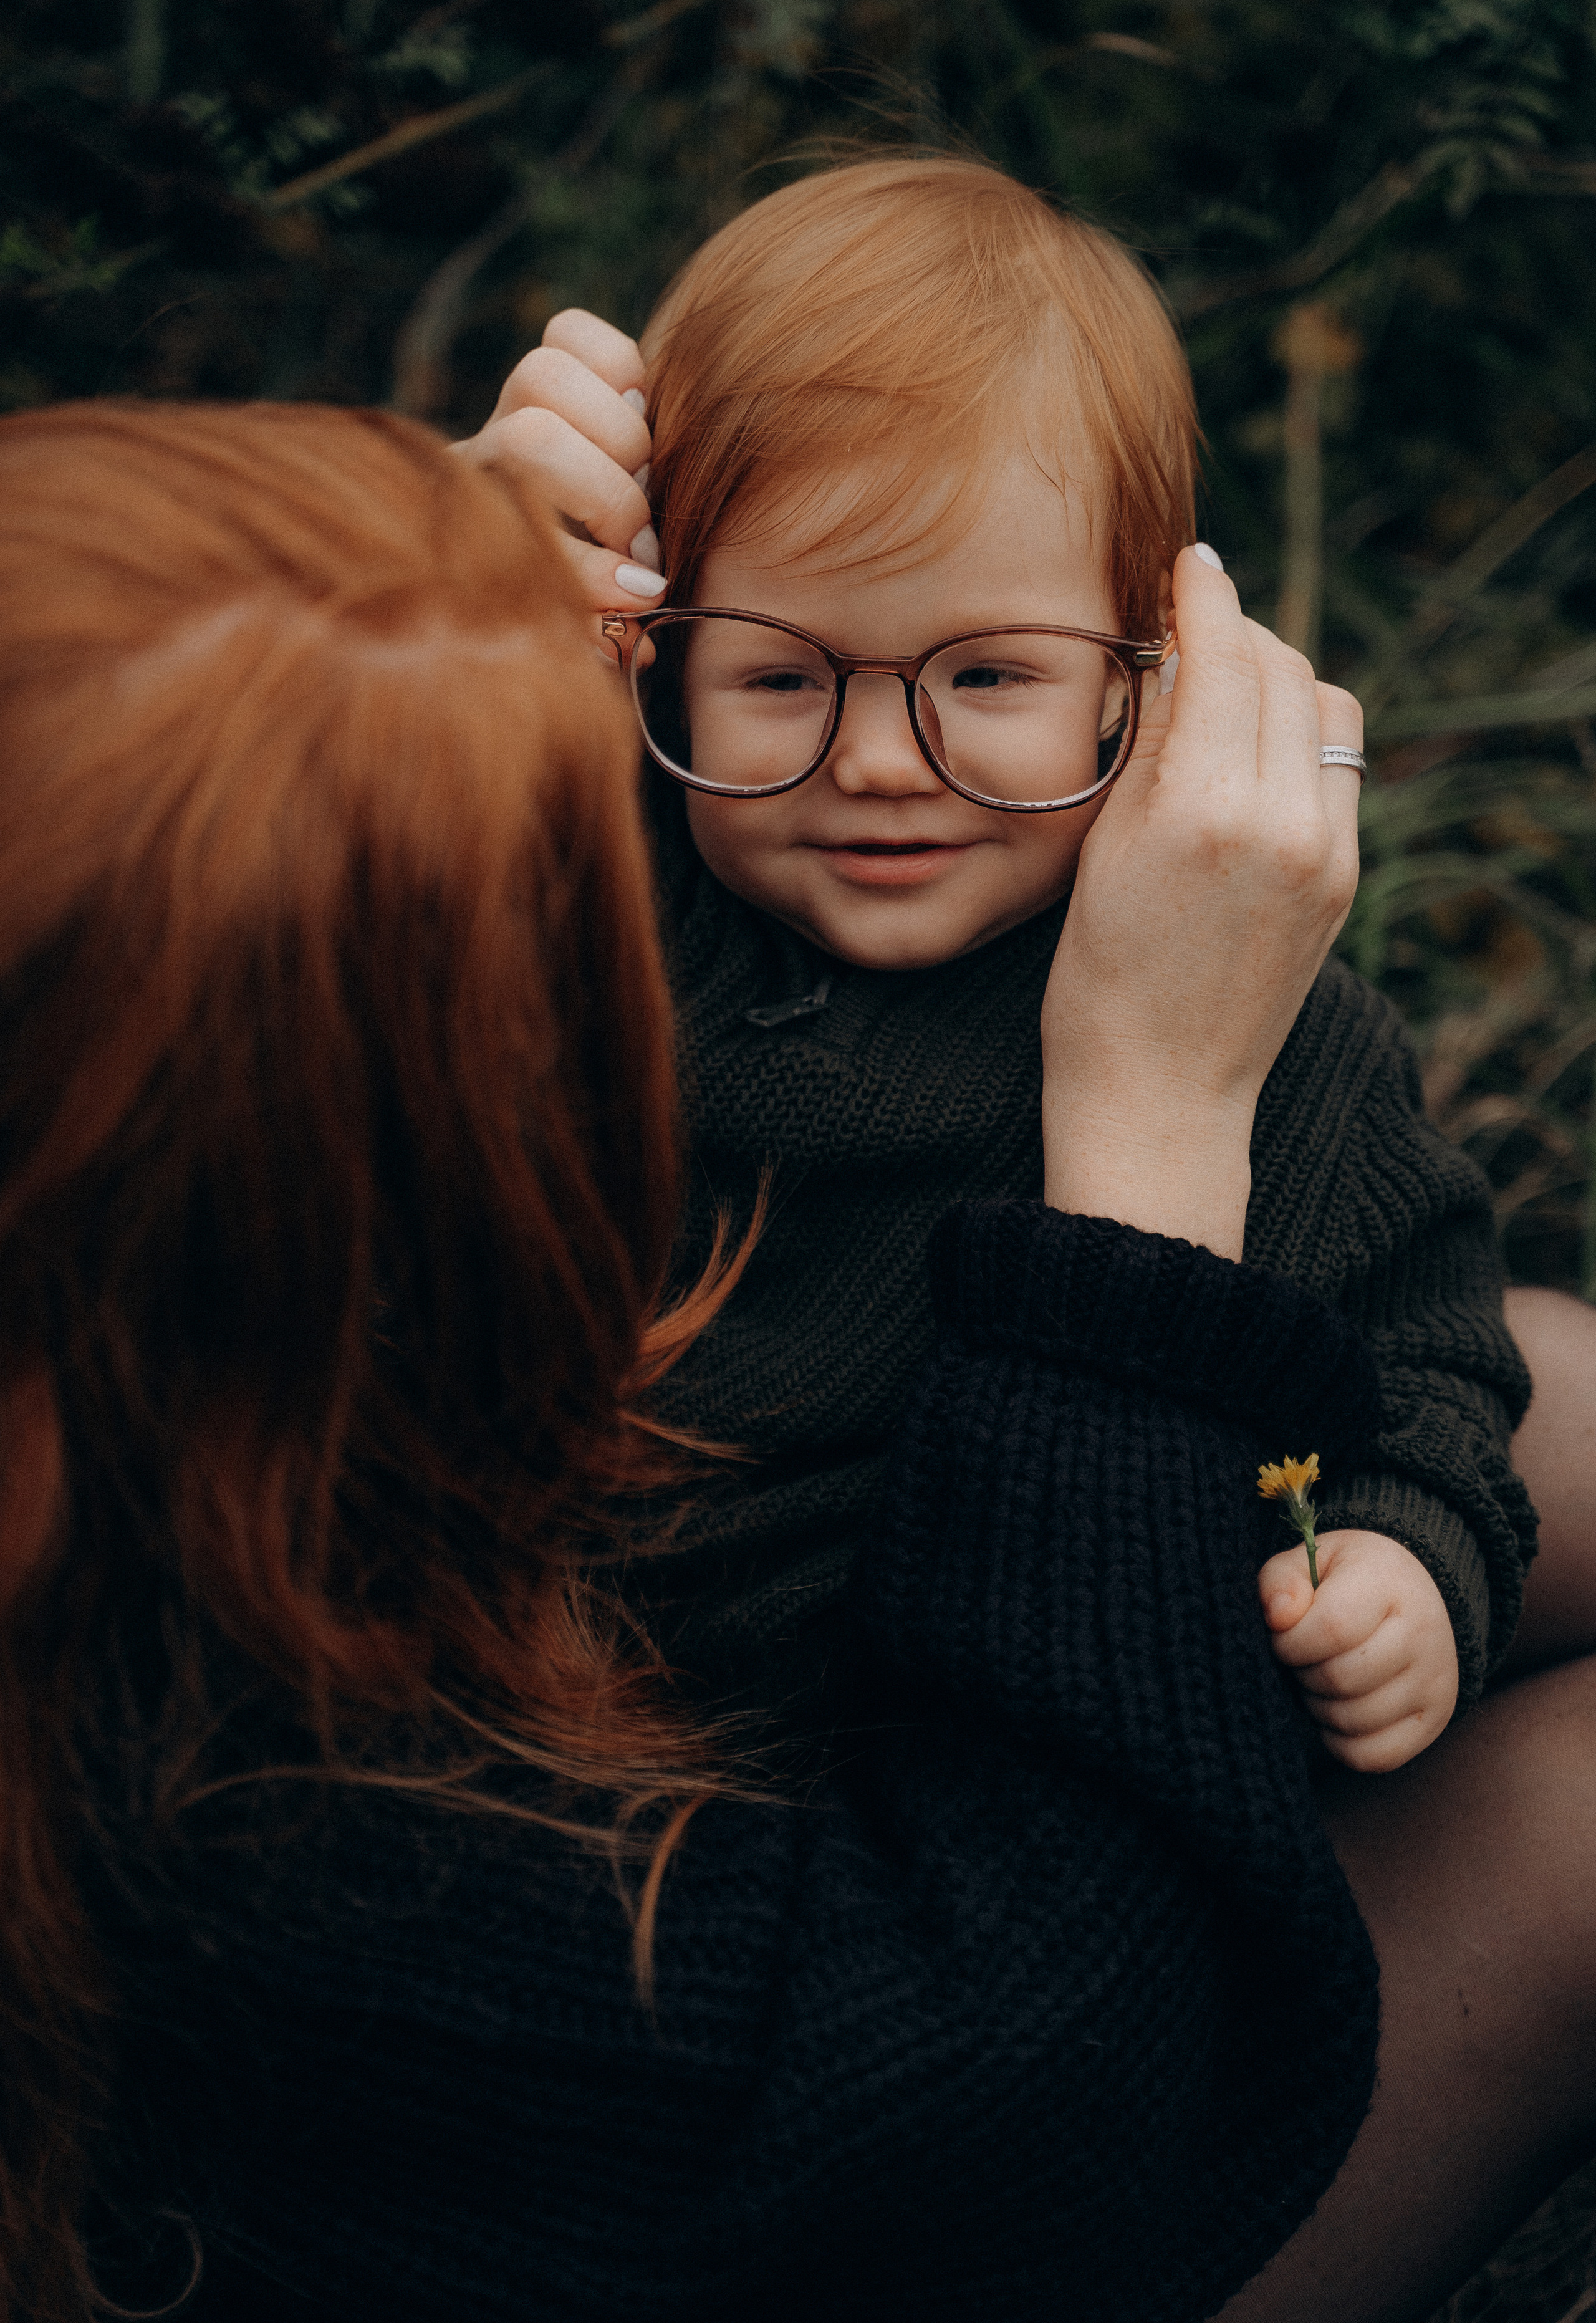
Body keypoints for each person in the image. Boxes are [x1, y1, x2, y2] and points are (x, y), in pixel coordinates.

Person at [0, 395, 1408, 2323]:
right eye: (560, 923)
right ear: (268, 1213)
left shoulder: (110, 1368)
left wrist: (361, 642)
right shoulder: (240, 1824)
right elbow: (1030, 2119)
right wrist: (1155, 1131)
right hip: (935, 2211)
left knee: (1532, 1404)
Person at [460, 153, 1549, 1774]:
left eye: (983, 673)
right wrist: (459, 618)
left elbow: (1428, 1354)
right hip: (685, 1778)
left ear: (1141, 672)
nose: (885, 761)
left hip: (1045, 1676)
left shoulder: (1247, 1006)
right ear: (652, 645)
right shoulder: (592, 894)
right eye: (777, 678)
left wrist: (1413, 1560)